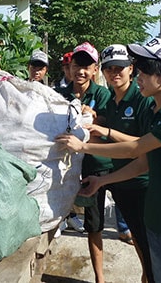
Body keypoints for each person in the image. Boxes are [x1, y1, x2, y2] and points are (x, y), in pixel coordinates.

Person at [56, 38, 161, 283]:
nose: (139, 75)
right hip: (157, 219)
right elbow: (142, 162)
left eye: (145, 70)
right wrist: (102, 180)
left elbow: (134, 148)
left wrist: (83, 145)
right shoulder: (157, 111)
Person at [84, 43, 154, 283]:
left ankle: (148, 277)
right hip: (120, 180)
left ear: (131, 69)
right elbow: (105, 133)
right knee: (135, 236)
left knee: (145, 241)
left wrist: (106, 130)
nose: (115, 73)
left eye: (120, 68)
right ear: (102, 71)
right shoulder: (111, 102)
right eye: (109, 68)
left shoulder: (142, 99)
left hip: (142, 184)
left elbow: (143, 144)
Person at [55, 41, 112, 283]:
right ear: (70, 67)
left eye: (87, 66)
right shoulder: (60, 96)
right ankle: (100, 278)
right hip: (72, 167)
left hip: (102, 165)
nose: (81, 71)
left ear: (95, 69)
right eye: (77, 65)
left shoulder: (102, 94)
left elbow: (113, 126)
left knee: (127, 221)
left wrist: (97, 118)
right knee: (94, 224)